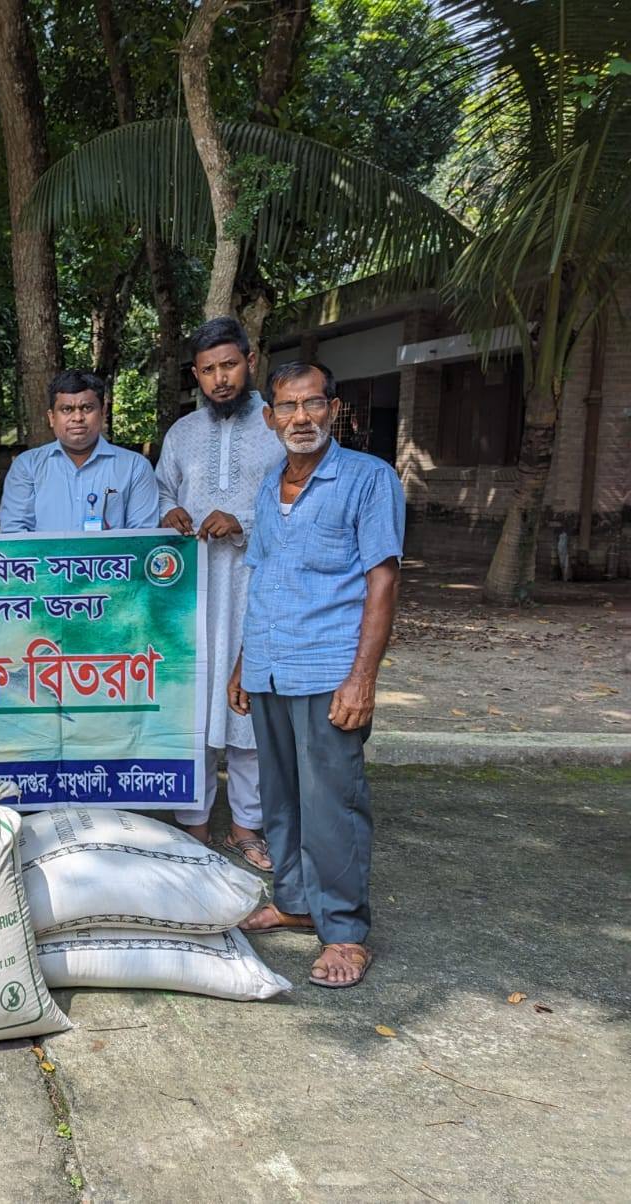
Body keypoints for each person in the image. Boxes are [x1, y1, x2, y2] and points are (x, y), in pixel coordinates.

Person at [230, 360, 404, 990]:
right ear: (270, 417)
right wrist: (244, 661)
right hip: (271, 666)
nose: (299, 417)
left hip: (329, 667)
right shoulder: (268, 484)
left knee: (332, 804)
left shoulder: (368, 479)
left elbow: (382, 580)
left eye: (311, 404)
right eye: (287, 406)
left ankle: (346, 932)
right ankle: (296, 903)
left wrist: (363, 677)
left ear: (333, 408)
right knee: (280, 798)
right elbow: (263, 577)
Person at [158, 318, 285, 870]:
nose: (221, 378)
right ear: (196, 375)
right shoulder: (182, 433)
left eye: (229, 365)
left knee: (245, 707)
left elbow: (295, 503)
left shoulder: (277, 426)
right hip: (192, 592)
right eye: (209, 370)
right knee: (192, 703)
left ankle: (245, 827)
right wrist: (169, 512)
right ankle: (194, 824)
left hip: (254, 586)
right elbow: (161, 490)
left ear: (250, 362)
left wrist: (242, 522)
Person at [0, 369, 159, 533]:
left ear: (103, 413)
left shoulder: (135, 467)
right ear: (52, 417)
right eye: (66, 409)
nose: (78, 418)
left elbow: (143, 538)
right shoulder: (27, 466)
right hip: (44, 552)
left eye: (87, 408)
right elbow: (13, 534)